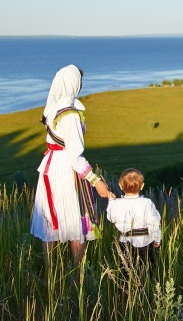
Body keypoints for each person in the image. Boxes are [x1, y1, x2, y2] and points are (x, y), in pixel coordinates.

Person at [30, 64, 115, 264]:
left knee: (50, 222)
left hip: (49, 167)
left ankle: (51, 275)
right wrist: (96, 181)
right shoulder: (71, 115)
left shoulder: (52, 107)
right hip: (66, 170)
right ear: (74, 84)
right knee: (76, 220)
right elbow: (75, 156)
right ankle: (78, 277)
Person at [106, 168, 162, 269]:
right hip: (146, 241)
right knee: (148, 267)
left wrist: (111, 201)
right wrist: (157, 238)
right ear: (142, 186)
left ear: (120, 185)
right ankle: (148, 284)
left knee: (127, 269)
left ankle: (128, 284)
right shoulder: (147, 202)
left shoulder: (117, 203)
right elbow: (154, 222)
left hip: (125, 241)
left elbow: (111, 218)